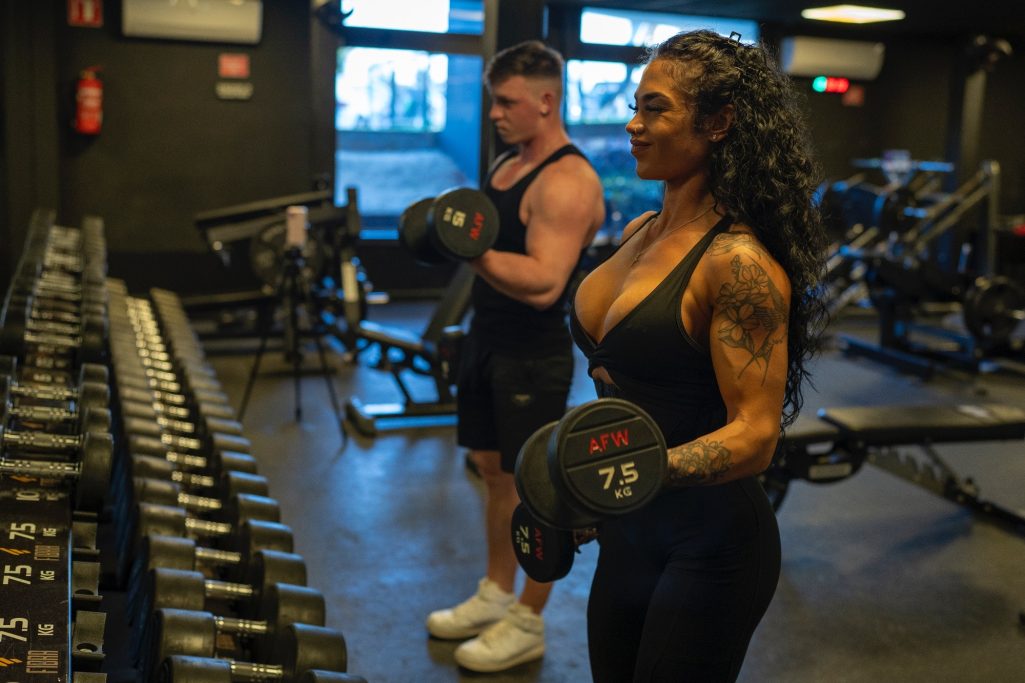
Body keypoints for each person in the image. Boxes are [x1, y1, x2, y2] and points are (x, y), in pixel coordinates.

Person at [569, 30, 827, 681]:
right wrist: (582, 482)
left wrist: (631, 472)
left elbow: (756, 435)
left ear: (718, 123)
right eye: (635, 106)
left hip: (711, 543)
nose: (633, 125)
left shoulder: (736, 264)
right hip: (628, 529)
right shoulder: (640, 231)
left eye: (655, 109)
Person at [424, 40, 606, 672]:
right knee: (493, 471)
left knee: (535, 487)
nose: (495, 114)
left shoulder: (567, 180)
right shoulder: (508, 162)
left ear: (546, 100)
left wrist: (466, 249)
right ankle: (497, 591)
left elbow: (546, 282)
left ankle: (529, 618)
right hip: (487, 338)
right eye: (493, 102)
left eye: (506, 102)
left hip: (533, 353)